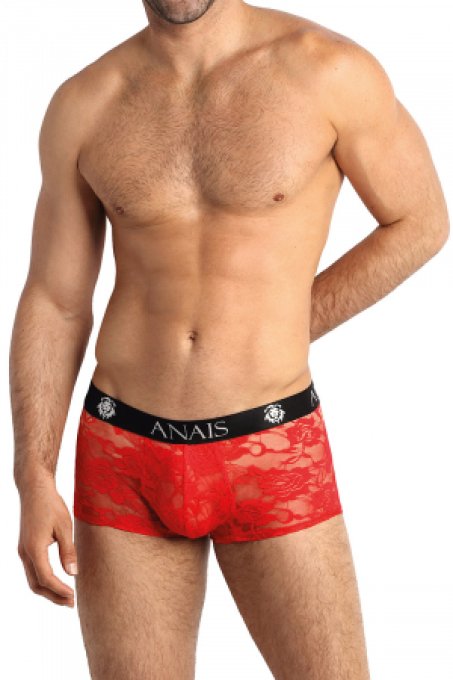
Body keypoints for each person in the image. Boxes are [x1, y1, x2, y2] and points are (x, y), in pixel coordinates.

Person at [10, 1, 449, 678]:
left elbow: (419, 220)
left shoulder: (327, 70)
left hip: (269, 445)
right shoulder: (85, 102)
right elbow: (56, 300)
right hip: (123, 452)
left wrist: (289, 321)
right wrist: (33, 475)